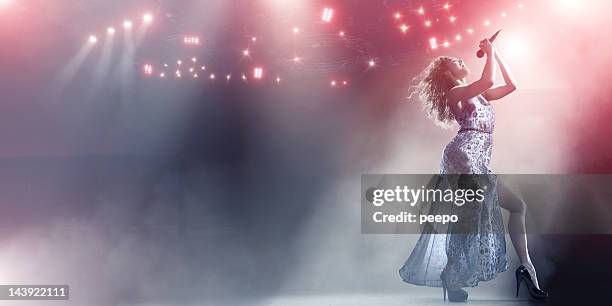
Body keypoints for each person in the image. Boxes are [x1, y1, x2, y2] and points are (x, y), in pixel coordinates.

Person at [398, 38, 549, 302]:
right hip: (463, 157)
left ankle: (526, 267)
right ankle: (452, 275)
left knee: (515, 207)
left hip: (479, 158)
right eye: (455, 62)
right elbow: (487, 81)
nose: (461, 61)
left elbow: (511, 86)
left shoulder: (477, 93)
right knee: (470, 221)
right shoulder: (457, 92)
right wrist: (488, 53)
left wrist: (496, 53)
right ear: (446, 73)